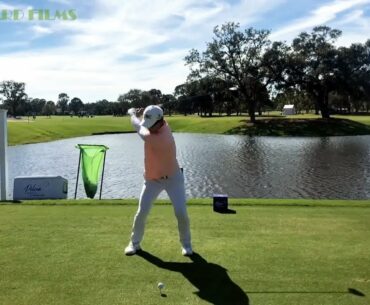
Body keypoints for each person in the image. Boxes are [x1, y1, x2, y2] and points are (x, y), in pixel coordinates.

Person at [124, 105, 193, 256]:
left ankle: (186, 244)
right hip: (153, 179)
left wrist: (131, 113)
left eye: (151, 125)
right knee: (142, 212)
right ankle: (134, 243)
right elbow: (139, 124)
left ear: (160, 122)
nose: (149, 127)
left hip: (173, 178)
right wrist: (139, 116)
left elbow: (137, 126)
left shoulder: (163, 137)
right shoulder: (154, 125)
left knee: (181, 212)